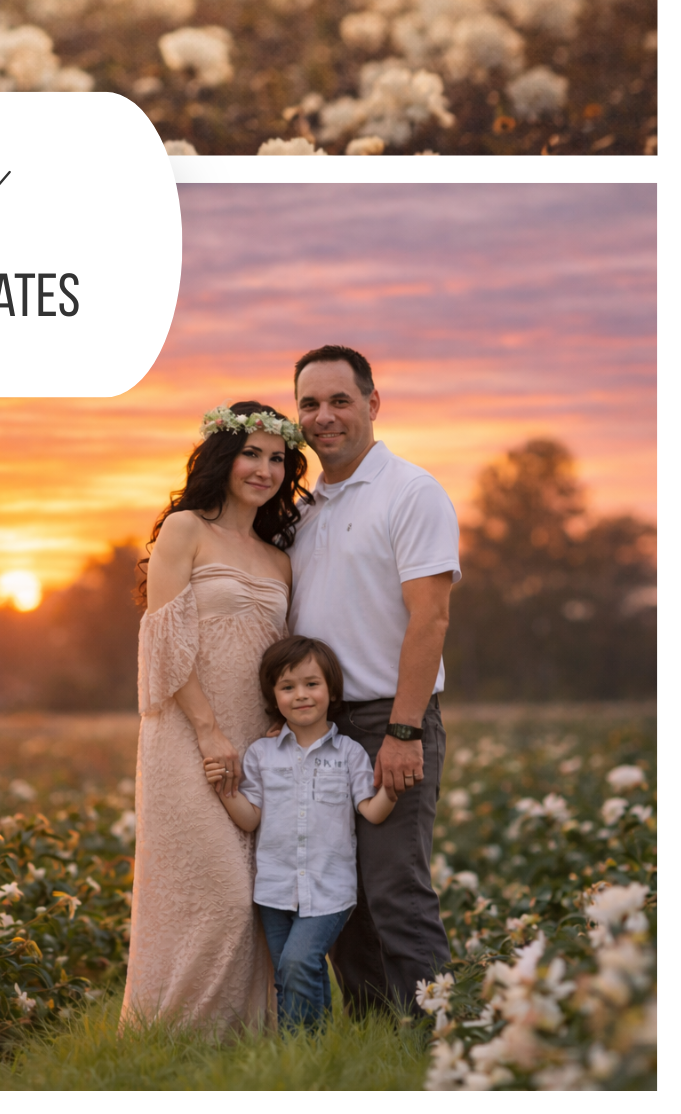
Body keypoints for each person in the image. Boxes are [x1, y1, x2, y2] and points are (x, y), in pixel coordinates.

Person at [121, 402, 306, 1031]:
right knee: (217, 896)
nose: (264, 469)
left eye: (277, 458)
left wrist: (280, 734)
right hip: (186, 732)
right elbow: (164, 640)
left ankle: (243, 1045)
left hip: (255, 742)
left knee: (256, 898)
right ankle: (167, 1035)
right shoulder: (184, 529)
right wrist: (207, 731)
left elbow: (285, 659)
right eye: (251, 453)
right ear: (224, 458)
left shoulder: (280, 558)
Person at [289, 343, 458, 1019]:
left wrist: (404, 730)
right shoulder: (301, 511)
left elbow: (431, 618)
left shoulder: (411, 492)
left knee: (394, 889)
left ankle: (441, 1043)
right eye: (309, 403)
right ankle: (374, 1039)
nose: (324, 417)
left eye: (339, 401)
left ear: (372, 404)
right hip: (318, 728)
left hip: (389, 717)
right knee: (338, 896)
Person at [216, 635, 400, 1031]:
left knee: (300, 961)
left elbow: (371, 811)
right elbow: (250, 818)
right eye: (287, 686)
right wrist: (225, 789)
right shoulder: (261, 754)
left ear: (331, 690)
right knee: (291, 973)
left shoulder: (349, 753)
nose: (301, 695)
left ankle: (299, 1050)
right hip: (275, 888)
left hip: (330, 888)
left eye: (311, 684)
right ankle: (310, 1054)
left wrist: (393, 789)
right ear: (274, 695)